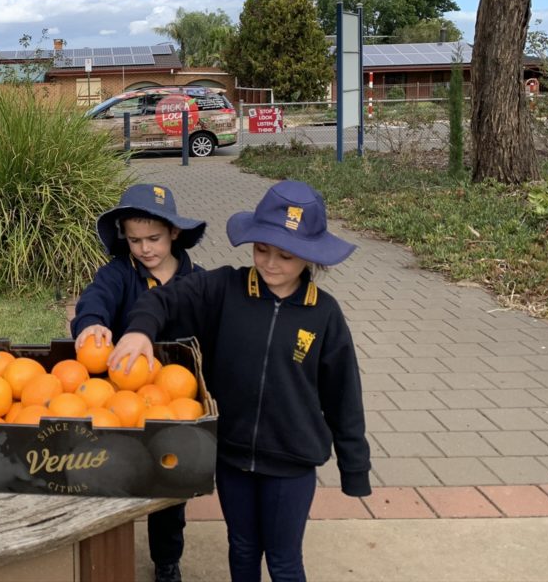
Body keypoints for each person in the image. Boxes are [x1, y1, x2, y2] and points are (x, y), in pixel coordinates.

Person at [110, 180, 371, 582]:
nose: (270, 263)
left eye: (286, 255)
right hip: (232, 456)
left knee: (284, 560)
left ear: (311, 257)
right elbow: (164, 298)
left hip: (292, 461)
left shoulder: (325, 314)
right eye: (261, 249)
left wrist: (355, 468)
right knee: (243, 547)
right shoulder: (225, 287)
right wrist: (141, 330)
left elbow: (344, 396)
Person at [70, 183, 207, 582]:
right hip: (118, 394)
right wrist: (91, 322)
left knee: (169, 486)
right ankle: (105, 555)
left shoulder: (195, 279)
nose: (145, 249)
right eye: (135, 240)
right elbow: (96, 298)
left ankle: (167, 559)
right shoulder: (119, 274)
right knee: (112, 474)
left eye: (154, 239)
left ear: (174, 234)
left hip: (173, 399)